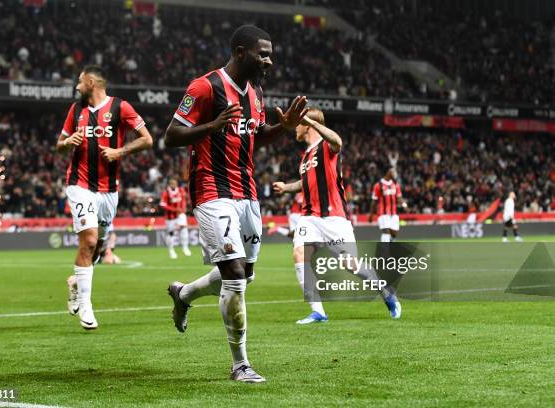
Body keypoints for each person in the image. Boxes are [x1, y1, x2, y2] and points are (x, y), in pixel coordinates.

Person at [164, 25, 307, 383]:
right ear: (241, 52)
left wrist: (284, 128)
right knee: (234, 276)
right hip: (212, 190)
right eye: (263, 54)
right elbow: (171, 137)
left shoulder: (256, 93)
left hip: (247, 191)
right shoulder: (205, 87)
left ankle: (183, 294)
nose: (269, 61)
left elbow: (257, 136)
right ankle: (240, 364)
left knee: (246, 273)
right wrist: (211, 126)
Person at [273, 108, 401, 324]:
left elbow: (338, 141)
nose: (295, 127)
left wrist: (308, 120)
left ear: (307, 124)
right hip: (310, 217)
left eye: (299, 123)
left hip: (334, 217)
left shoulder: (326, 146)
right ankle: (318, 311)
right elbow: (304, 183)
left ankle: (386, 291)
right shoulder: (305, 157)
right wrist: (287, 187)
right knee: (299, 254)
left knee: (350, 265)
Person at [56, 65, 153, 330]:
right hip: (80, 185)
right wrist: (68, 143)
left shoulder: (121, 108)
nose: (76, 87)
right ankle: (86, 306)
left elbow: (147, 140)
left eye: (79, 82)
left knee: (97, 247)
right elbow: (58, 146)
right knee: (88, 241)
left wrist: (120, 152)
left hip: (109, 190)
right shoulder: (75, 111)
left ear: (90, 82)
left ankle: (76, 281)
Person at [368, 168, 405, 242]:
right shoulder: (378, 185)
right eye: (393, 172)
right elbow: (374, 201)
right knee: (386, 232)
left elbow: (399, 197)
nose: (395, 174)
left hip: (394, 213)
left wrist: (404, 205)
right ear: (388, 172)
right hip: (383, 213)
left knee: (394, 234)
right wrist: (371, 215)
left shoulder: (395, 184)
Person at [160, 178, 191, 259]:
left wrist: (183, 208)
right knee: (171, 234)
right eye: (172, 183)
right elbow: (162, 204)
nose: (174, 185)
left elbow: (184, 199)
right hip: (171, 217)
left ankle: (185, 247)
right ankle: (171, 250)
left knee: (184, 229)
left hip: (180, 214)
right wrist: (174, 209)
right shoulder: (166, 192)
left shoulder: (181, 190)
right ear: (169, 184)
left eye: (175, 183)